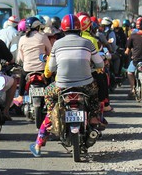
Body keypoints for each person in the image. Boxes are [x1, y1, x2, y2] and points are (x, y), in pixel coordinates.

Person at [30, 14, 104, 157]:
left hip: (61, 86)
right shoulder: (88, 43)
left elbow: (50, 67)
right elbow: (100, 63)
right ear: (80, 28)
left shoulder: (57, 44)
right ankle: (94, 118)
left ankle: (41, 140)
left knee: (49, 95)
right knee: (94, 94)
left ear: (63, 29)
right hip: (85, 85)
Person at [16, 16, 52, 96]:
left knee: (22, 76)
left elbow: (21, 58)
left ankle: (20, 96)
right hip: (42, 70)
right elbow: (50, 52)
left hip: (27, 70)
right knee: (50, 79)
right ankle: (49, 97)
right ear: (37, 26)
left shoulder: (22, 39)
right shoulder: (43, 37)